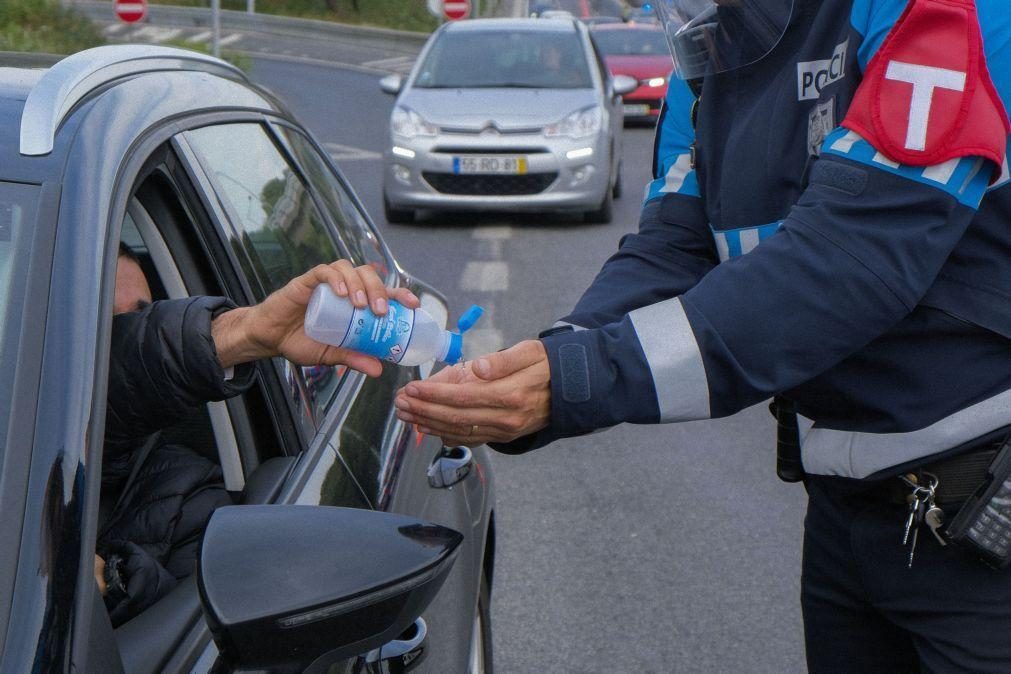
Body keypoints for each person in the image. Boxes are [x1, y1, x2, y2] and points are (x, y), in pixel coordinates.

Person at [396, 0, 1011, 670]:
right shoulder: (715, 43)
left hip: (985, 524)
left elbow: (850, 258)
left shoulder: (949, 10)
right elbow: (674, 243)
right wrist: (549, 359)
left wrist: (577, 378)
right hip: (846, 513)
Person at [95, 244, 416, 624]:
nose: (126, 341)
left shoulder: (184, 497)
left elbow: (208, 634)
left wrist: (112, 583)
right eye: (105, 328)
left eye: (143, 322)